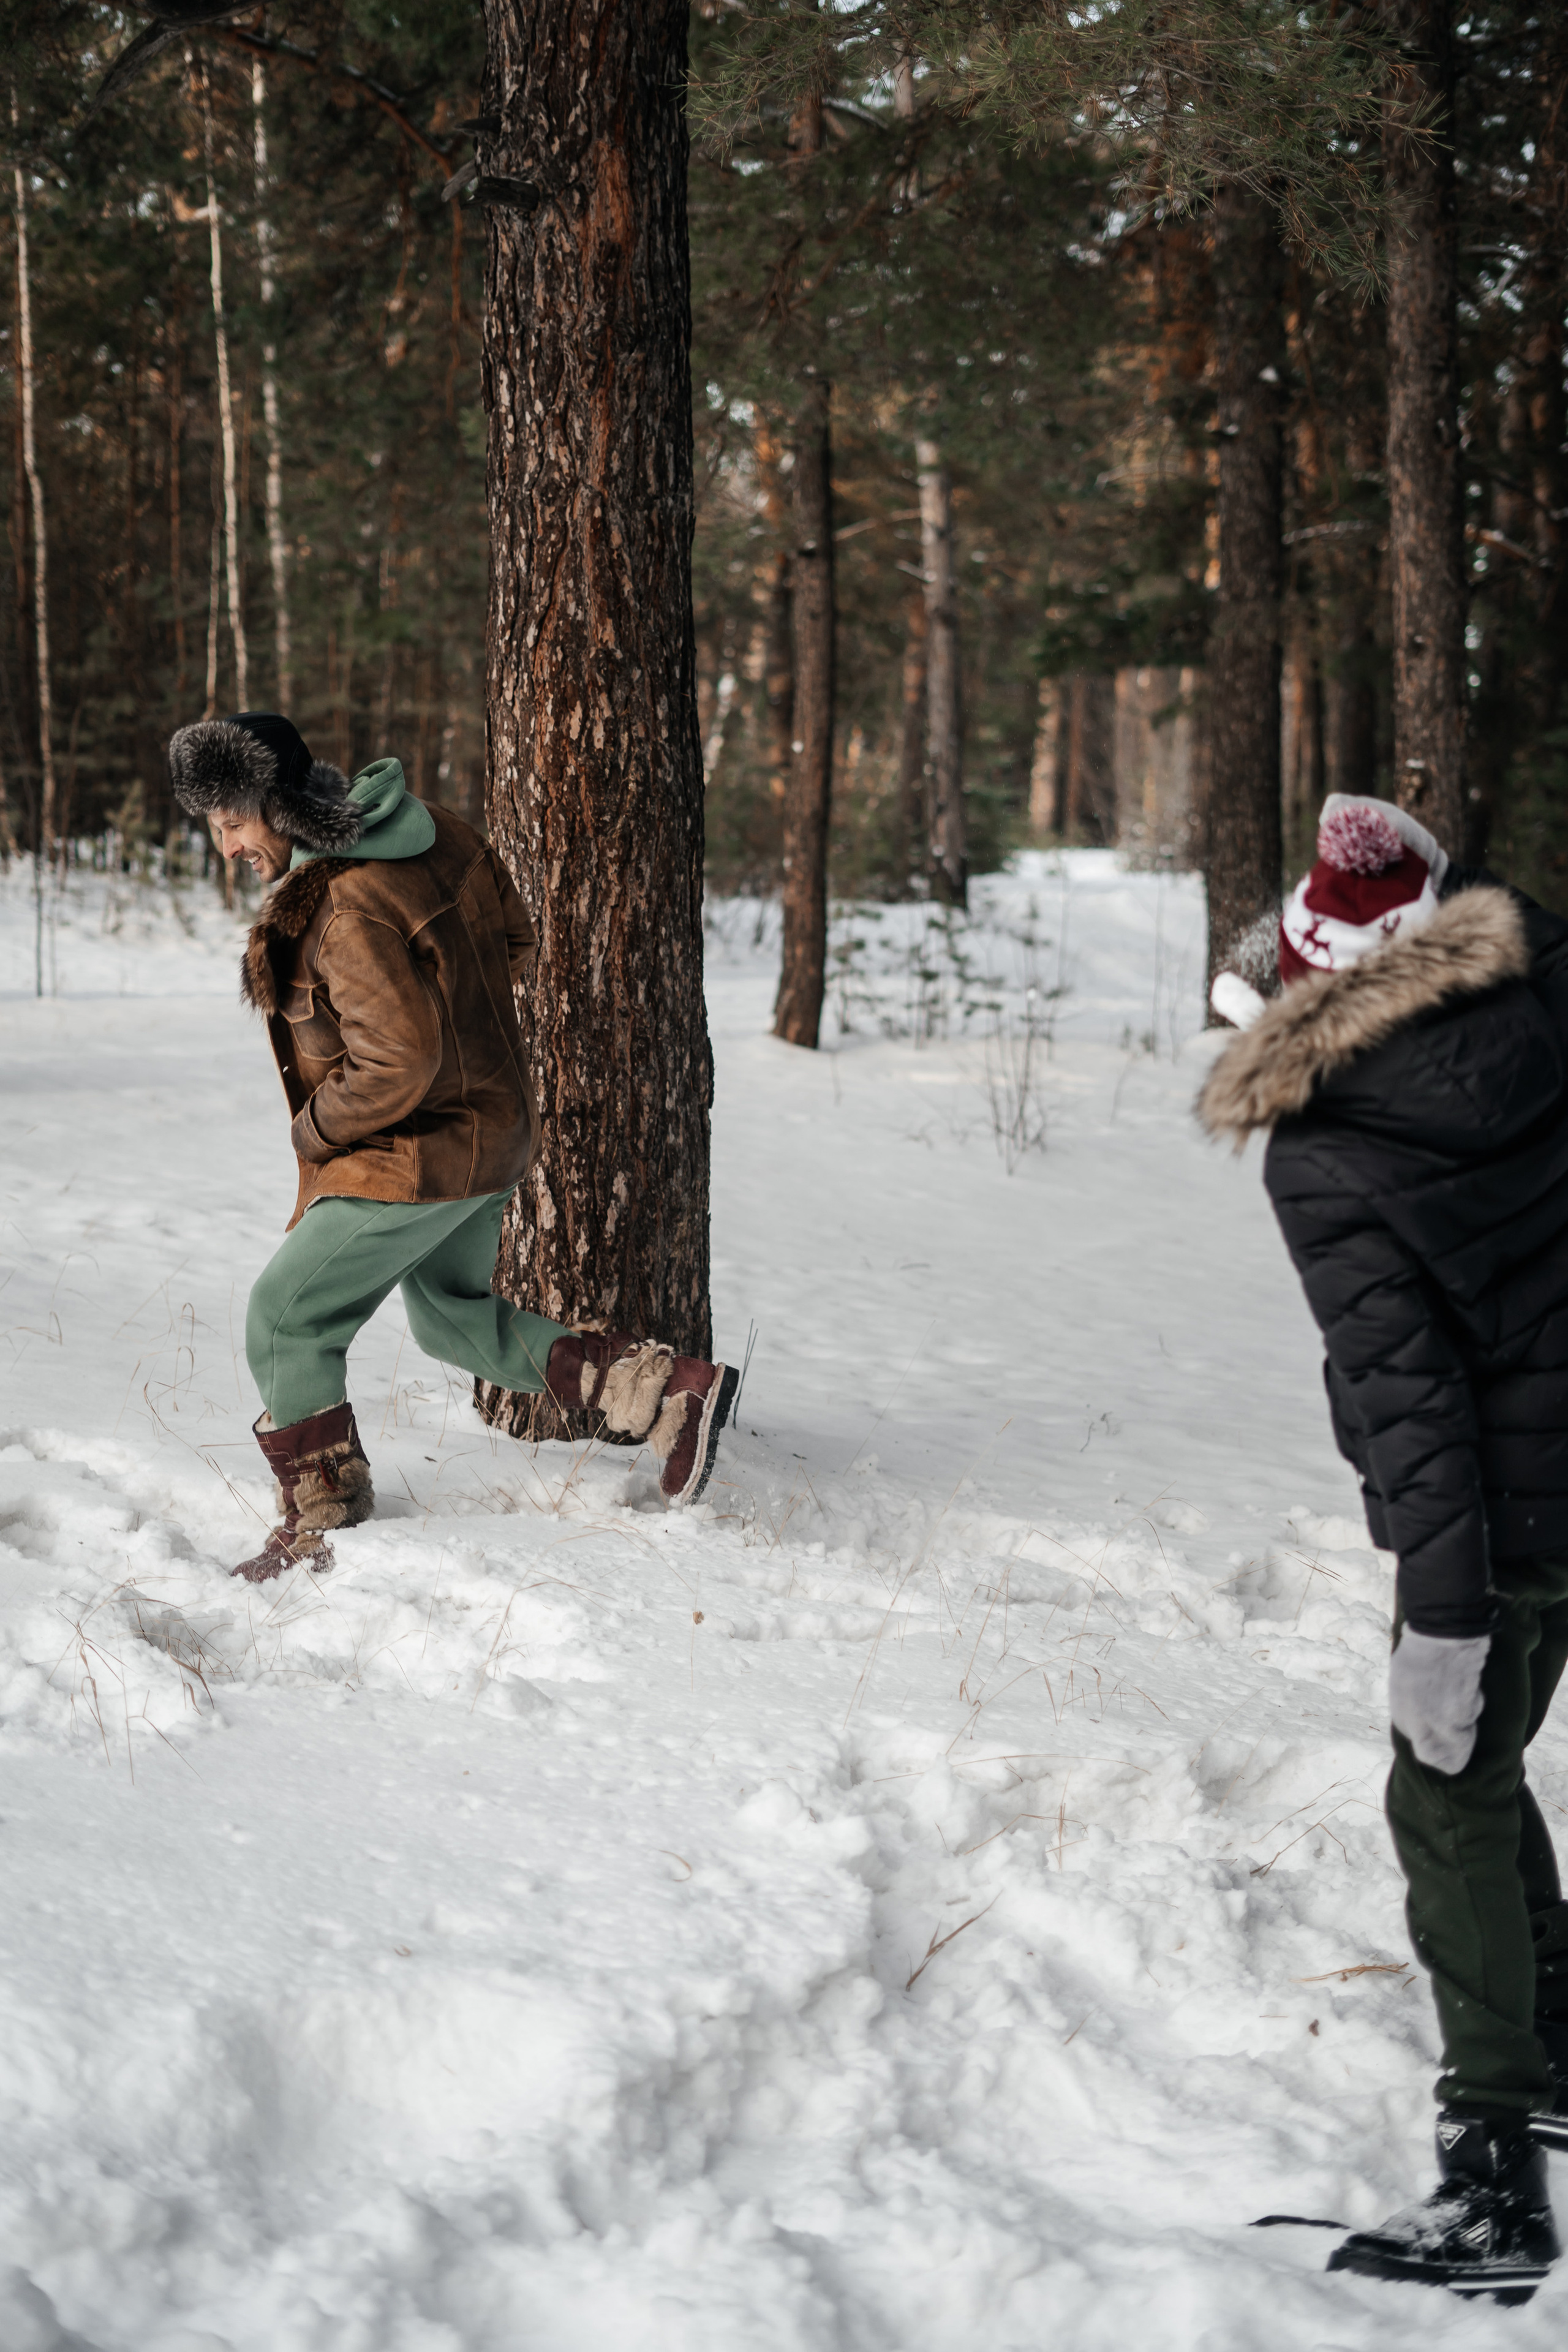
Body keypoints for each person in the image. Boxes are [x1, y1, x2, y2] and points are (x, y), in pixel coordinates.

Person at [1201, 794, 1568, 2304]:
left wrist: (1441, 1621)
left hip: (1509, 1511)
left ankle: (1494, 2172)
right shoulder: (1547, 991)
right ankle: (1547, 2027)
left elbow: (1410, 1401)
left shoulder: (1328, 1146)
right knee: (1479, 1781)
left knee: (1445, 1788)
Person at [168, 711, 736, 1582]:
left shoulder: (344, 906)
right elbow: (511, 939)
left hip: (414, 1155)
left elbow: (401, 1056)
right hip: (496, 1132)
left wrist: (315, 1128)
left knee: (286, 1320)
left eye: (233, 823)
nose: (229, 847)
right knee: (452, 1319)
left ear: (278, 807)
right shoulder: (435, 833)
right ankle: (669, 1394)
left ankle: (321, 1522)